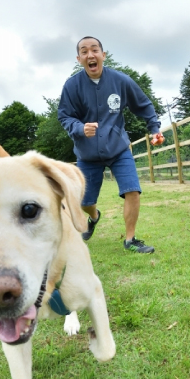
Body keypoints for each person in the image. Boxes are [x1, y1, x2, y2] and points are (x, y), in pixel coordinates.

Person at [58, 36, 165, 254]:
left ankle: (130, 239)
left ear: (103, 55)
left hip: (118, 149)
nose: (90, 55)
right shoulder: (72, 86)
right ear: (79, 59)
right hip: (87, 154)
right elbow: (65, 116)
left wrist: (154, 128)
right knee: (85, 202)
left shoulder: (121, 81)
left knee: (132, 190)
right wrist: (80, 128)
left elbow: (144, 105)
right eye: (85, 52)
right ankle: (94, 216)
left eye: (95, 50)